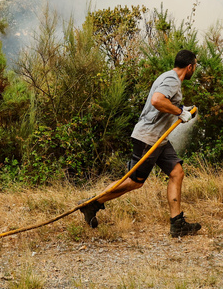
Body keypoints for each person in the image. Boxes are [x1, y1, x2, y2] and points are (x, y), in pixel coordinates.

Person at [79, 49, 202, 238]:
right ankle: (93, 204)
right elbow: (157, 100)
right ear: (190, 66)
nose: (195, 69)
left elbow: (165, 105)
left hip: (160, 140)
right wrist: (180, 112)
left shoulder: (168, 77)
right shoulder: (172, 80)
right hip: (149, 138)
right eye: (195, 66)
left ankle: (177, 224)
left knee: (177, 172)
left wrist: (183, 109)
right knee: (134, 182)